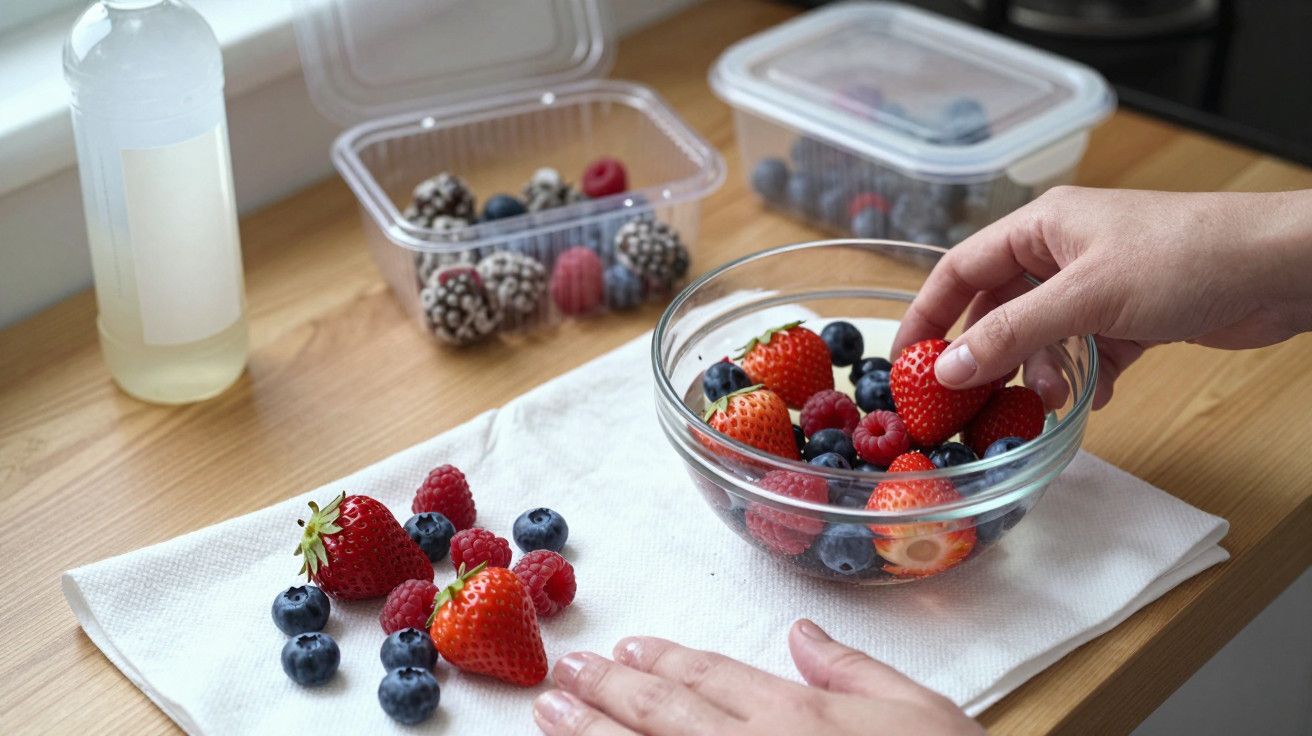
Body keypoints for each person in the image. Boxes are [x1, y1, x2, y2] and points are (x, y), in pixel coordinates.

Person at [532, 186, 1312, 736]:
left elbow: (896, 437)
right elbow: (832, 443)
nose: (865, 417)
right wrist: (1273, 254)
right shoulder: (788, 425)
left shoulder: (904, 453)